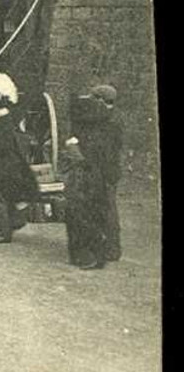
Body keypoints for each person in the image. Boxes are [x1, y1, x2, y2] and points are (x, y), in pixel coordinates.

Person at [0, 73, 35, 244]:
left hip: (3, 164)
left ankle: (3, 231)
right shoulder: (1, 117)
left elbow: (0, 146)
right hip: (2, 161)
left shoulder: (0, 122)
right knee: (0, 196)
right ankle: (4, 227)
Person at [63, 96, 114, 270]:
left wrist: (74, 152)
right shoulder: (99, 131)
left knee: (83, 217)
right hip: (92, 179)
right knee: (88, 216)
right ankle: (88, 255)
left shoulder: (85, 133)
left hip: (85, 180)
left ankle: (89, 256)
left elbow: (84, 159)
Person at [90, 84, 125, 262]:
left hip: (105, 171)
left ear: (101, 101)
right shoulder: (113, 119)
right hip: (108, 170)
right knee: (105, 209)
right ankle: (109, 247)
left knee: (108, 210)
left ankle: (111, 249)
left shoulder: (108, 122)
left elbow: (104, 150)